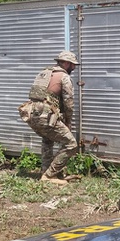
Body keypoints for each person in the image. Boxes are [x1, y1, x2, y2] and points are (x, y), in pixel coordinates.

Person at [22, 50, 80, 185]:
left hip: (31, 113)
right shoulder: (64, 77)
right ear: (66, 63)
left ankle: (45, 171)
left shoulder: (44, 73)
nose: (74, 67)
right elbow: (68, 103)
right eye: (72, 65)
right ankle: (49, 175)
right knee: (71, 144)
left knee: (48, 140)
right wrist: (68, 121)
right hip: (45, 114)